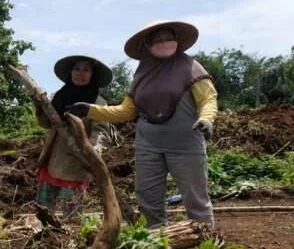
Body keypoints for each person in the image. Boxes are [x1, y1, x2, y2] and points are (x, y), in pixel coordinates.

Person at [70, 21, 218, 228]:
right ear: (148, 45)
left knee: (195, 199)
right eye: (158, 40)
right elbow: (126, 111)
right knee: (148, 199)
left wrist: (206, 119)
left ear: (177, 41)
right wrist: (91, 109)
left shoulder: (191, 67)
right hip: (148, 145)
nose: (164, 43)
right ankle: (157, 244)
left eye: (168, 38)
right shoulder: (142, 74)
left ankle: (207, 247)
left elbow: (208, 99)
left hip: (185, 144)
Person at [34, 56, 111, 216]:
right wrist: (40, 107)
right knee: (44, 213)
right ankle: (45, 238)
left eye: (86, 70)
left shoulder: (98, 103)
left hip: (77, 164)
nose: (80, 73)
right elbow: (46, 124)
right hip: (52, 159)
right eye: (77, 69)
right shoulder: (58, 97)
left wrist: (92, 151)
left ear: (92, 75)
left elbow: (101, 131)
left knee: (69, 217)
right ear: (70, 72)